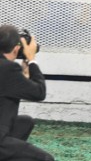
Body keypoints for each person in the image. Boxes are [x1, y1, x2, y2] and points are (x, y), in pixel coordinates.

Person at [0, 25, 53, 161]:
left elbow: (7, 88)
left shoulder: (7, 69)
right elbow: (39, 92)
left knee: (25, 122)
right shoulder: (8, 68)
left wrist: (23, 76)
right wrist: (32, 60)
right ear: (17, 48)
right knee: (46, 158)